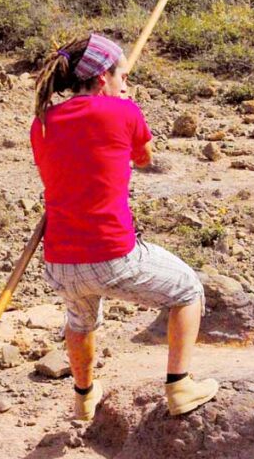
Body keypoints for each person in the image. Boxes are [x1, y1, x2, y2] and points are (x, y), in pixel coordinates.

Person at [30, 33, 219, 422]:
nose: (126, 85)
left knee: (80, 320)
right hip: (111, 255)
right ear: (103, 79)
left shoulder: (42, 123)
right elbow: (145, 158)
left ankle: (84, 397)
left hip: (61, 261)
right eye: (122, 77)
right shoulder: (123, 111)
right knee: (187, 290)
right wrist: (124, 115)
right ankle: (180, 386)